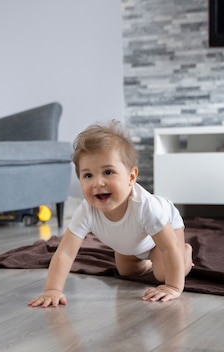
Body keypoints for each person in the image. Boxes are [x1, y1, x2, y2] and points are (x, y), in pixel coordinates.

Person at [28, 120, 193, 308]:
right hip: (130, 240)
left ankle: (185, 253)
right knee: (126, 271)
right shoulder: (86, 210)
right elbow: (65, 253)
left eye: (108, 172)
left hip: (165, 229)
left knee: (163, 272)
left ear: (131, 177)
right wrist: (52, 290)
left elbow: (168, 247)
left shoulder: (146, 207)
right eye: (88, 175)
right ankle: (147, 261)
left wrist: (172, 287)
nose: (98, 182)